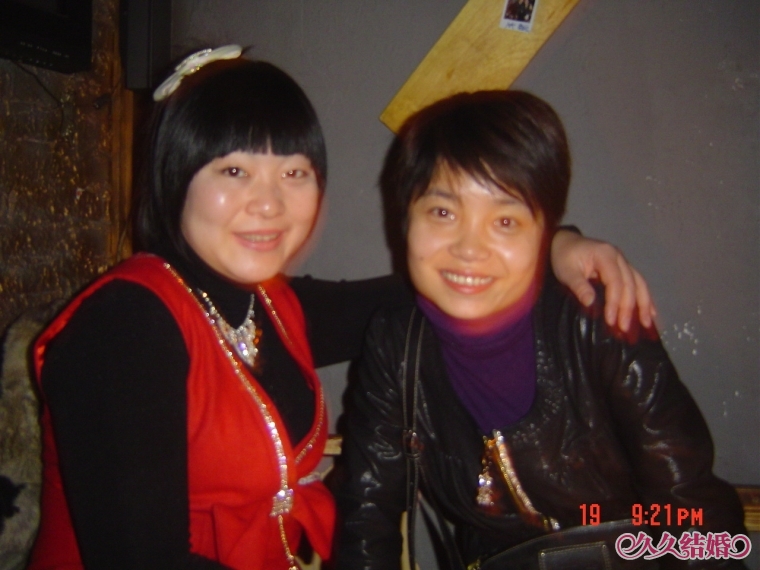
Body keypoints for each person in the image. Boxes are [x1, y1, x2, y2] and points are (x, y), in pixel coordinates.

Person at [29, 47, 655, 569]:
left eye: (294, 173)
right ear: (175, 177)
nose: (270, 204)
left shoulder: (269, 304)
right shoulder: (124, 326)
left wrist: (552, 244)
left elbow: (432, 284)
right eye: (234, 171)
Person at [334, 90, 747, 569]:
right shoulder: (395, 345)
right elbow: (367, 515)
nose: (469, 248)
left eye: (505, 221)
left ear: (545, 231)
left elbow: (693, 512)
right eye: (443, 213)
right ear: (405, 217)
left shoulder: (599, 322)